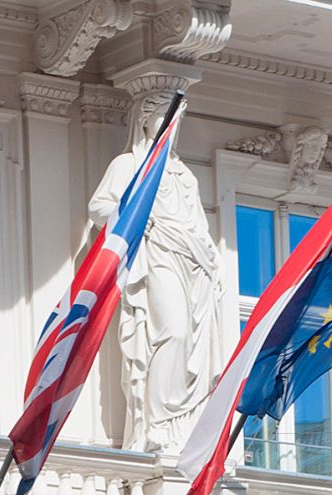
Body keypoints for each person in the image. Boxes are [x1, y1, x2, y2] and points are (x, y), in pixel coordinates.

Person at [87, 92, 223, 456]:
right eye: (163, 119)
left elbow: (197, 224)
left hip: (193, 262)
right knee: (173, 333)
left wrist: (210, 258)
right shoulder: (129, 165)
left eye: (174, 121)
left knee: (193, 346)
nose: (169, 128)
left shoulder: (185, 175)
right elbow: (99, 207)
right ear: (144, 120)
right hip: (156, 254)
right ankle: (157, 423)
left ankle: (183, 428)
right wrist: (135, 217)